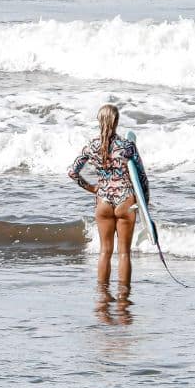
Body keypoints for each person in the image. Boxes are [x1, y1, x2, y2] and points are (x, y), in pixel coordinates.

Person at [67, 104, 150, 290]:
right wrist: (145, 204)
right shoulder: (127, 146)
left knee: (104, 252)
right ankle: (123, 298)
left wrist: (92, 188)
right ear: (117, 121)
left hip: (103, 201)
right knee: (124, 253)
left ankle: (103, 296)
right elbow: (142, 178)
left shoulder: (91, 147)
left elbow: (72, 172)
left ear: (99, 122)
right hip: (125, 199)